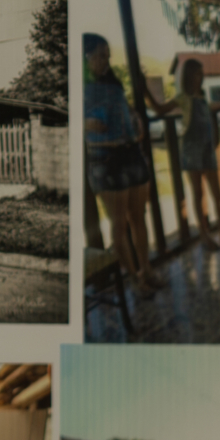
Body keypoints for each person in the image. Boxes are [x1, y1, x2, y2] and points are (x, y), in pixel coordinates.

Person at [82, 34, 154, 290]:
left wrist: (135, 116)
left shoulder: (113, 84)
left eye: (107, 56)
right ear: (83, 56)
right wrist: (83, 123)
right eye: (100, 55)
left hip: (132, 153)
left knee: (139, 218)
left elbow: (123, 107)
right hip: (106, 159)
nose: (105, 61)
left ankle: (146, 270)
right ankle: (133, 279)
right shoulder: (78, 87)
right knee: (119, 224)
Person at [169, 58, 220, 254]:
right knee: (198, 194)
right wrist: (144, 91)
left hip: (207, 152)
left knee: (218, 196)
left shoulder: (202, 98)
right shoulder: (182, 98)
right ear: (188, 76)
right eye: (197, 74)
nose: (200, 78)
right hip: (191, 152)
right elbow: (161, 109)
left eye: (202, 74)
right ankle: (204, 236)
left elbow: (211, 108)